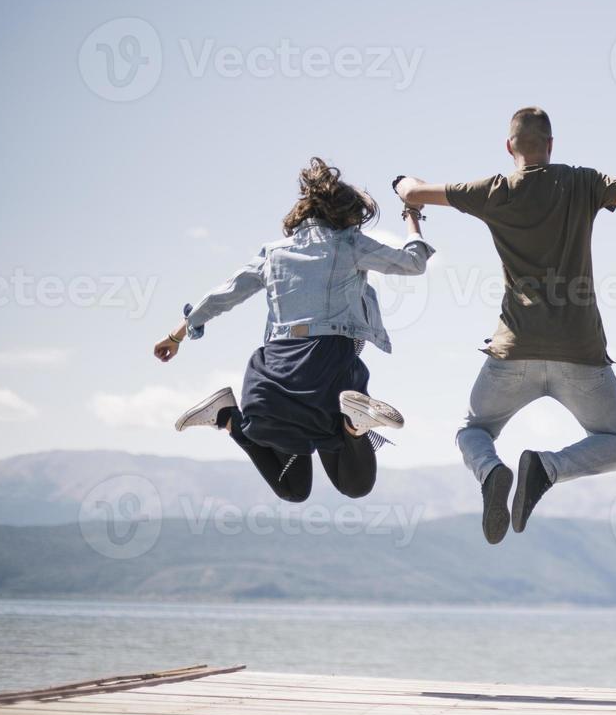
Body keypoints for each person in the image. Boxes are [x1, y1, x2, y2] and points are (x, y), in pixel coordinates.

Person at [394, 107, 616, 545]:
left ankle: (492, 472)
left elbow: (415, 192)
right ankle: (546, 468)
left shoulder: (493, 191)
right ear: (551, 145)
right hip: (581, 354)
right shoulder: (581, 181)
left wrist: (402, 184)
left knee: (473, 432)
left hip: (513, 351)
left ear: (509, 146)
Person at [154, 158, 431, 503]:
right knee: (356, 485)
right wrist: (413, 218)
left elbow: (225, 293)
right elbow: (414, 263)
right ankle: (353, 425)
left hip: (275, 374)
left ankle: (228, 416)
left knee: (294, 488)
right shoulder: (349, 244)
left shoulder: (273, 253)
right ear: (345, 216)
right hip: (328, 367)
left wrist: (178, 334)